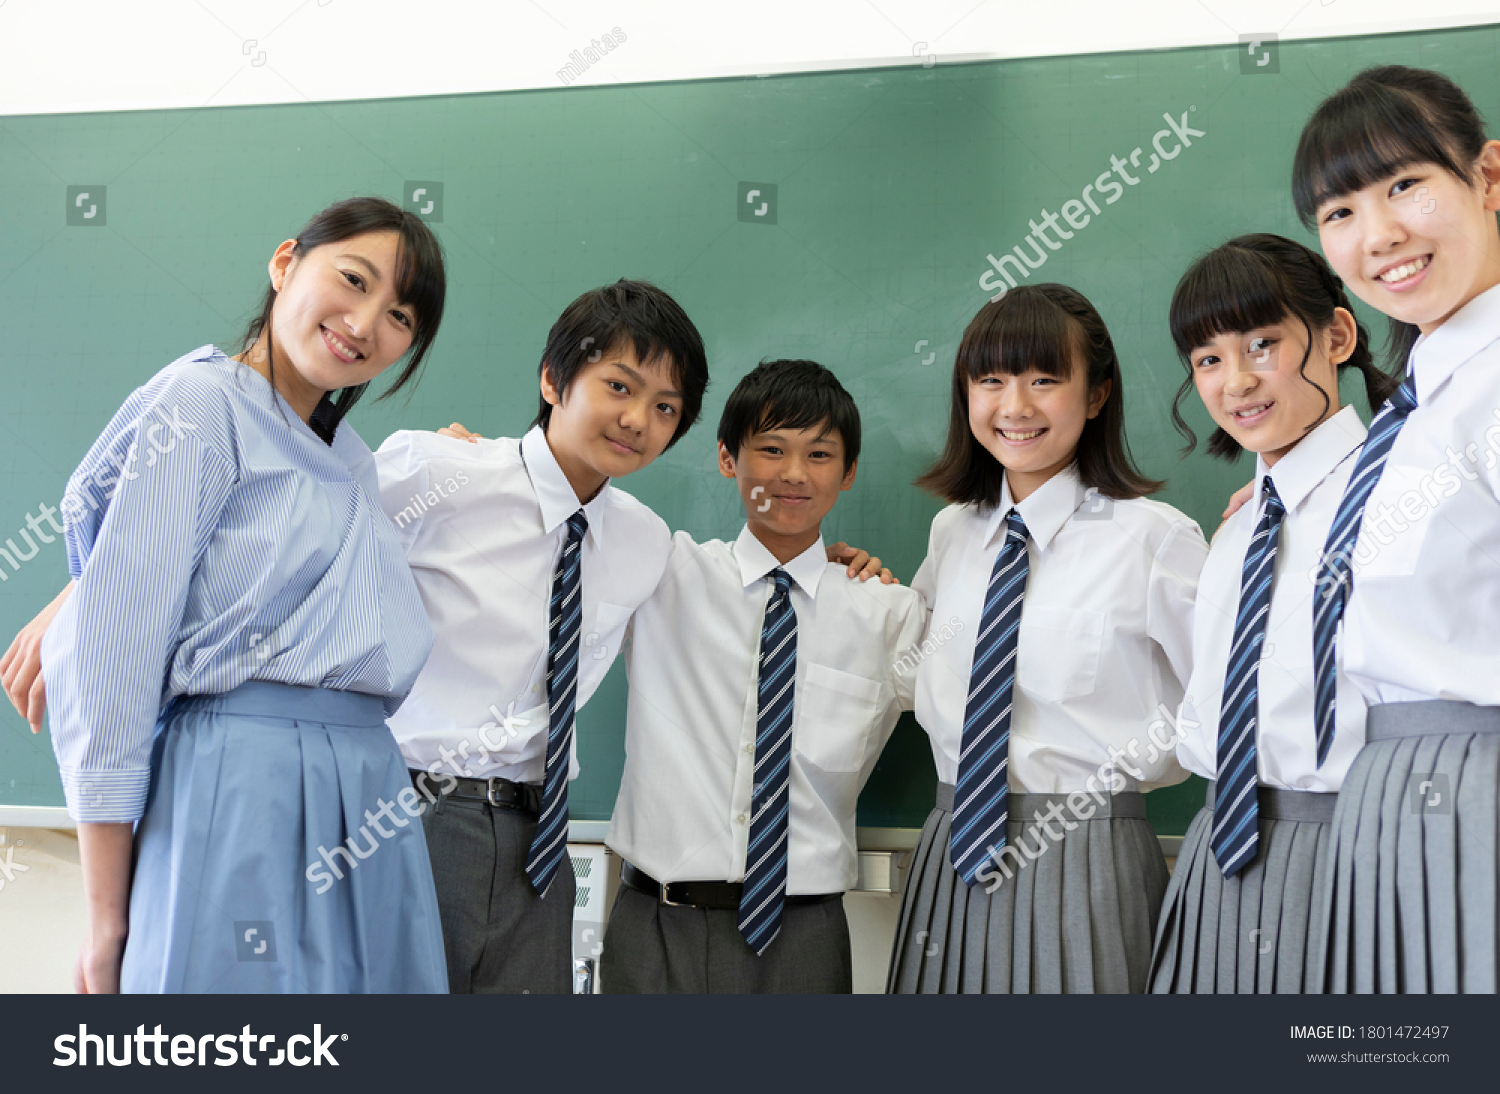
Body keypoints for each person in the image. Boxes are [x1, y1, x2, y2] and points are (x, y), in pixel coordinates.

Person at [386, 288, 886, 993]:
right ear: (553, 379)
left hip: (540, 838)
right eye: (619, 386)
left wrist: (832, 565)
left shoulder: (645, 543)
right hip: (412, 810)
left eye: (665, 407)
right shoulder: (437, 474)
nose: (637, 419)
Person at [10, 197, 450, 992]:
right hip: (240, 785)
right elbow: (119, 662)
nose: (365, 321)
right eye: (352, 279)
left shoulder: (352, 459)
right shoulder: (201, 404)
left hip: (369, 799)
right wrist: (107, 917)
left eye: (400, 317)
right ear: (286, 263)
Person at [889, 283, 1206, 994]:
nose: (1015, 406)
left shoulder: (1154, 539)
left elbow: (1223, 708)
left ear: (1096, 395)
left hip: (1090, 853)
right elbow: (914, 678)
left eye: (1044, 380)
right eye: (991, 380)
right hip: (949, 856)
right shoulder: (953, 535)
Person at [600, 360, 923, 993]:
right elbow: (561, 515)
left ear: (849, 472)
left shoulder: (889, 613)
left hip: (802, 937)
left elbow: (982, 712)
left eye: (820, 454)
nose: (794, 474)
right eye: (771, 449)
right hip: (655, 928)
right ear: (728, 459)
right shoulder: (663, 573)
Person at [1292, 65, 1500, 993]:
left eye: (1405, 184)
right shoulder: (1406, 416)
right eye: (1339, 211)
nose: (1378, 235)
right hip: (1386, 804)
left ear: (1489, 179)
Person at [1149, 233, 1399, 993]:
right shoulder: (1236, 528)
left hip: (1355, 845)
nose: (1237, 381)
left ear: (1338, 335)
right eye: (1209, 359)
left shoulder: (1403, 488)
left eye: (1263, 343)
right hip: (1217, 851)